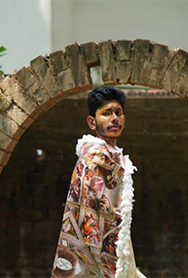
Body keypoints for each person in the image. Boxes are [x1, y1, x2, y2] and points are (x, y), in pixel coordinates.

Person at [51, 86, 143, 278]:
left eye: (118, 113)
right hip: (96, 252)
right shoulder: (98, 157)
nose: (114, 118)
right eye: (106, 113)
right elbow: (102, 215)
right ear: (92, 122)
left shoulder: (105, 156)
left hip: (103, 248)